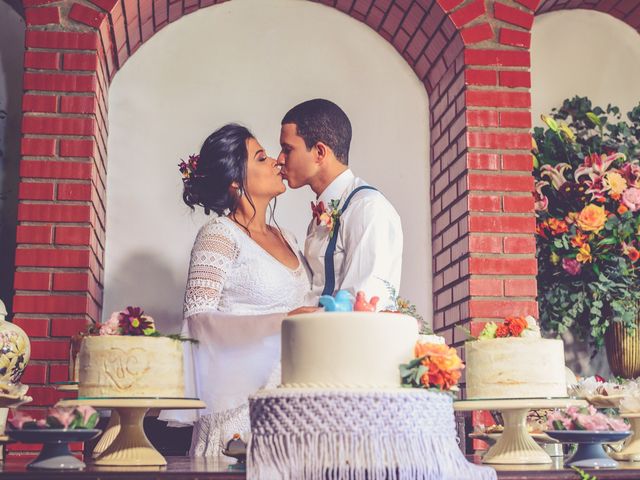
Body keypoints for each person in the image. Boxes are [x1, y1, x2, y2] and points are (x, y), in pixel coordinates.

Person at [159, 124, 314, 456]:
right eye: (261, 157)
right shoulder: (219, 234)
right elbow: (198, 322)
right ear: (235, 180)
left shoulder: (291, 238)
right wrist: (286, 320)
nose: (275, 161)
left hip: (288, 410)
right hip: (236, 413)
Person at [277, 99, 403, 308]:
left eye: (287, 149)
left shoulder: (366, 209)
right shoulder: (323, 211)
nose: (280, 159)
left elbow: (361, 302)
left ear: (319, 152)